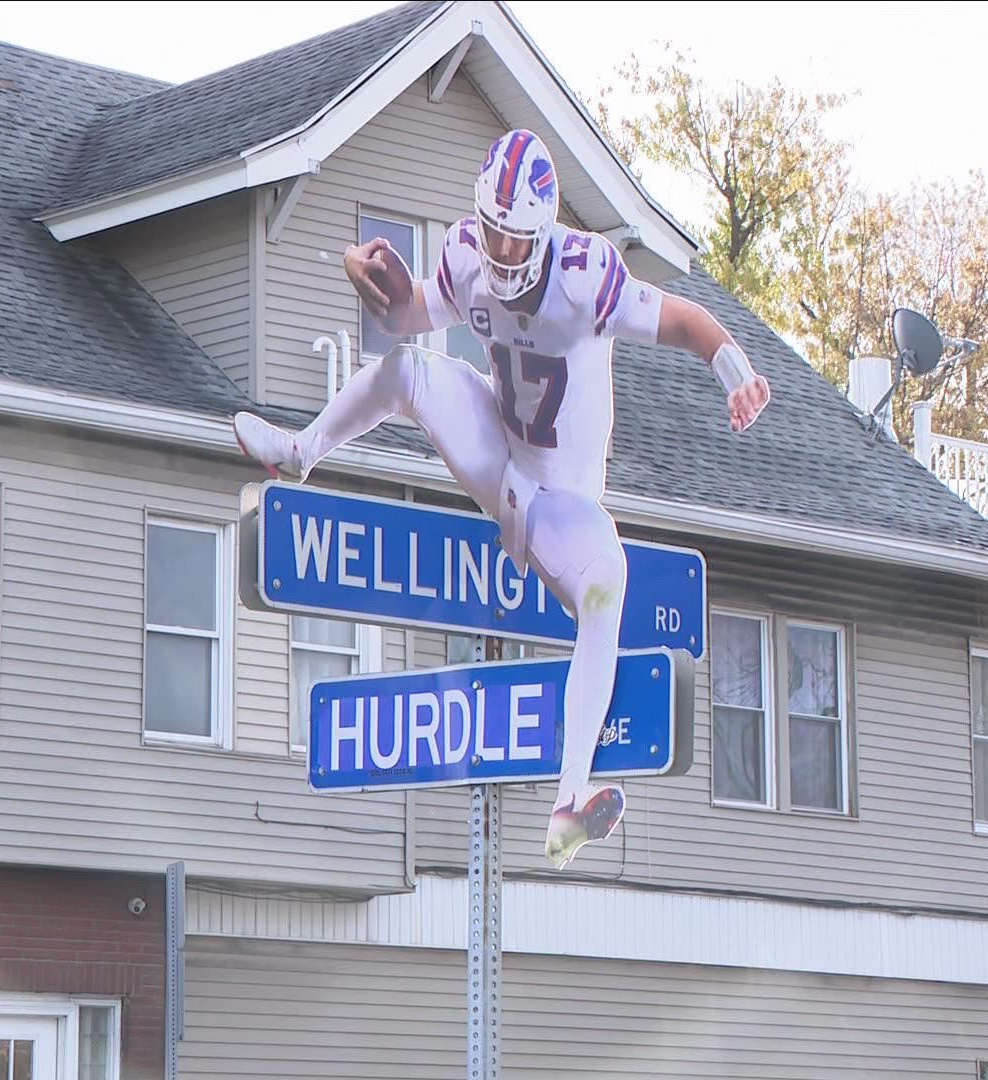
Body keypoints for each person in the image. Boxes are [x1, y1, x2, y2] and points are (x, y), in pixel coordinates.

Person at [232, 128, 771, 867]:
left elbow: (682, 318)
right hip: (498, 447)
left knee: (606, 587)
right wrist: (374, 281)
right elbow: (410, 314)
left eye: (514, 241)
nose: (499, 252)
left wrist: (734, 371)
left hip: (561, 503)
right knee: (408, 371)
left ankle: (569, 802)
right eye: (491, 232)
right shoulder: (466, 252)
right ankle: (299, 453)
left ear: (544, 235)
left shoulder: (586, 275)